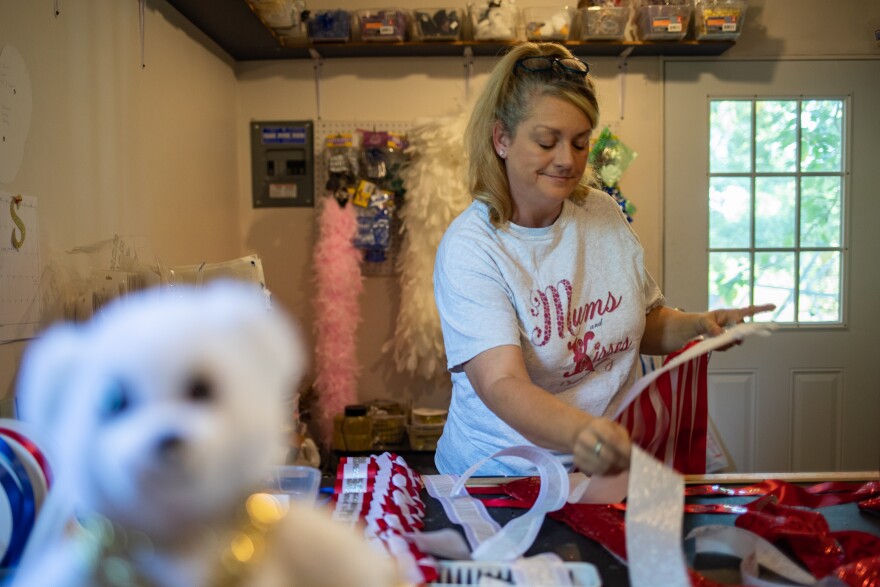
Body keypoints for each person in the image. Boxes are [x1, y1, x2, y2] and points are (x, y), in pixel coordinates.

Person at [432, 41, 773, 477]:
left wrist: (699, 325)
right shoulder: (472, 247)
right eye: (546, 141)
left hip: (600, 467)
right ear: (501, 138)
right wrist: (584, 434)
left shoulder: (603, 212)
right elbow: (501, 382)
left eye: (579, 142)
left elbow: (638, 324)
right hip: (500, 477)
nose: (566, 160)